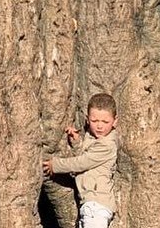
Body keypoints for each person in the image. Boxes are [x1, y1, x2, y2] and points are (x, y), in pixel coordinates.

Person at [43, 93, 119, 228]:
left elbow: (81, 163)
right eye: (95, 121)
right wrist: (77, 142)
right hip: (90, 205)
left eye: (105, 122)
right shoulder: (92, 138)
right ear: (87, 119)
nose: (100, 126)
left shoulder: (107, 145)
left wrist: (55, 165)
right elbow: (86, 154)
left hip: (98, 207)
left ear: (115, 121)